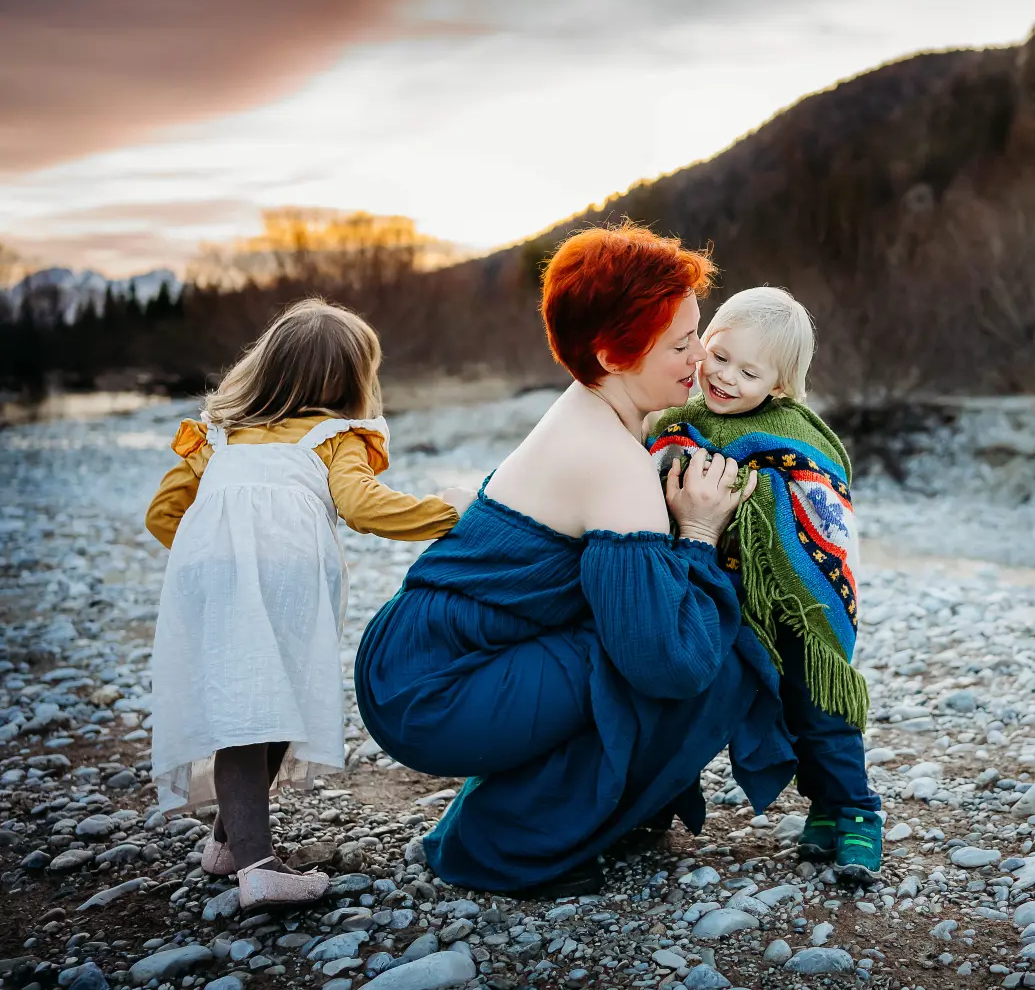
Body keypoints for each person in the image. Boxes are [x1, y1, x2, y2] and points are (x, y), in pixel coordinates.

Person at [354, 224, 797, 897]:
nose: (701, 356)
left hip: (419, 661)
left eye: (695, 334)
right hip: (432, 691)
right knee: (712, 653)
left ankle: (603, 809)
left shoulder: (591, 410)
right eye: (681, 343)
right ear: (614, 353)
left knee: (654, 631)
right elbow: (666, 662)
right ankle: (500, 846)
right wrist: (701, 534)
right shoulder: (613, 465)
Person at [144, 298, 466, 909]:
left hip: (211, 577)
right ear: (352, 380)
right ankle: (259, 870)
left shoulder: (215, 434)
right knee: (260, 711)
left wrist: (212, 560)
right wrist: (451, 512)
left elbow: (163, 515)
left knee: (257, 704)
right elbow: (364, 507)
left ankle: (227, 845)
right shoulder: (334, 435)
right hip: (286, 581)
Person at [647, 287, 882, 882]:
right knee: (679, 700)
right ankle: (647, 808)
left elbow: (823, 515)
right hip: (706, 595)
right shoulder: (675, 423)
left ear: (777, 386)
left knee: (817, 708)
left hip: (791, 607)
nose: (725, 377)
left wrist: (748, 498)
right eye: (719, 357)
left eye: (749, 372)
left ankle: (850, 811)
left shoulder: (795, 434)